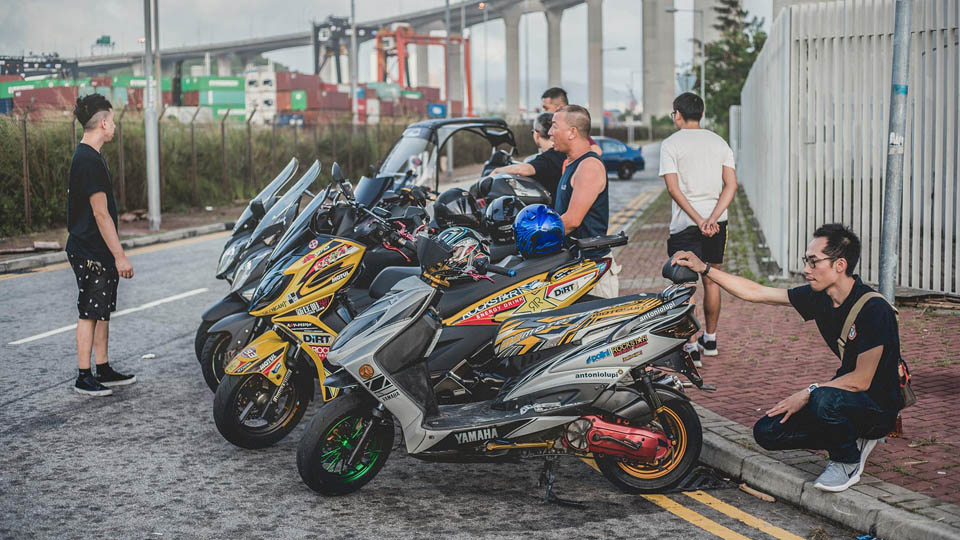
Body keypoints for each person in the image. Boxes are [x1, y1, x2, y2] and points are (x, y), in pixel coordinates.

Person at [671, 224, 903, 492]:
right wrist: (706, 269)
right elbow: (757, 292)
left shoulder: (875, 309)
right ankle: (848, 436)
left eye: (814, 262)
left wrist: (808, 391)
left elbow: (861, 381)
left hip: (877, 405)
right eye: (807, 260)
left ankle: (846, 461)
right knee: (768, 431)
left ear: (840, 265)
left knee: (822, 399)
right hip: (843, 396)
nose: (807, 269)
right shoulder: (820, 297)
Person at [659, 92, 737, 367]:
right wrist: (712, 217)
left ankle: (691, 346)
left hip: (685, 225)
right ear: (701, 114)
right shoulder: (719, 143)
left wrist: (696, 218)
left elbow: (673, 188)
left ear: (677, 115)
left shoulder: (671, 144)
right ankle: (711, 340)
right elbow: (731, 185)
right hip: (718, 223)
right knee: (712, 278)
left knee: (685, 283)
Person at [67, 94, 136, 396]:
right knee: (90, 311)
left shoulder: (90, 156)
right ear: (104, 122)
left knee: (102, 308)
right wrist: (120, 256)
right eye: (113, 119)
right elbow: (100, 213)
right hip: (89, 249)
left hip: (96, 248)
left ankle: (103, 367)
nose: (115, 125)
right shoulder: (88, 160)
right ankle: (84, 375)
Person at [548, 105, 619, 298]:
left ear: (572, 132)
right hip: (576, 269)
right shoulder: (571, 164)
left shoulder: (588, 166)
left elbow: (571, 221)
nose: (549, 132)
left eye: (554, 126)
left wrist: (531, 236)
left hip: (593, 273)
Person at [491, 112, 565, 199]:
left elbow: (523, 169)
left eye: (532, 132)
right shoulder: (562, 153)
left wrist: (497, 171)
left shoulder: (550, 157)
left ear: (536, 134)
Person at [540, 87, 602, 157]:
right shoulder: (546, 128)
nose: (543, 112)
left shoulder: (574, 129)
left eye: (546, 108)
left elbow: (597, 151)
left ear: (559, 107)